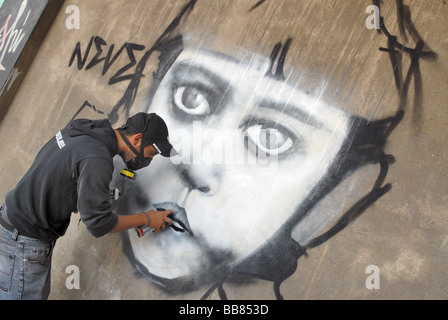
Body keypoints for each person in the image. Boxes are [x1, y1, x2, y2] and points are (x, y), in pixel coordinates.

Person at [0, 112, 177, 300]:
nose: (149, 159)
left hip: (9, 226)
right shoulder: (98, 158)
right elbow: (99, 223)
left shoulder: (82, 131)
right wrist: (148, 218)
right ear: (137, 139)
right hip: (23, 244)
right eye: (151, 152)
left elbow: (61, 173)